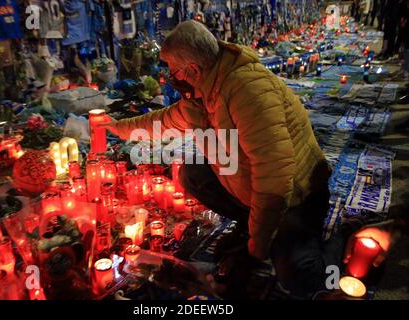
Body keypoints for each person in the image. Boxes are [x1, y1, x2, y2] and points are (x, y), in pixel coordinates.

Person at [98, 21, 397, 297]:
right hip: (252, 187)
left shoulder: (248, 91)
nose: (171, 78)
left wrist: (257, 247)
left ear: (192, 69)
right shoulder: (200, 94)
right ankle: (254, 224)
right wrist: (115, 127)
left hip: (297, 197)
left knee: (300, 277)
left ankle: (346, 230)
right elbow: (163, 120)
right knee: (192, 173)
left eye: (173, 70)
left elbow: (275, 182)